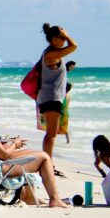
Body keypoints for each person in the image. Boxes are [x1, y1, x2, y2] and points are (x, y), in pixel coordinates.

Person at [0, 94, 67, 207]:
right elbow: (4, 155)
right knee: (44, 157)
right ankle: (54, 199)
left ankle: (28, 197)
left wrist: (4, 144)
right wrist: (15, 143)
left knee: (30, 153)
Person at [36, 23, 78, 170]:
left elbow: (51, 73)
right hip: (51, 97)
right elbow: (74, 46)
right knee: (51, 134)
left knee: (52, 133)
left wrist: (65, 69)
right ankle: (47, 163)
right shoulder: (50, 53)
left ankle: (47, 162)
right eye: (62, 38)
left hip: (52, 96)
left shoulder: (53, 53)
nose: (64, 40)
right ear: (54, 39)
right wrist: (67, 35)